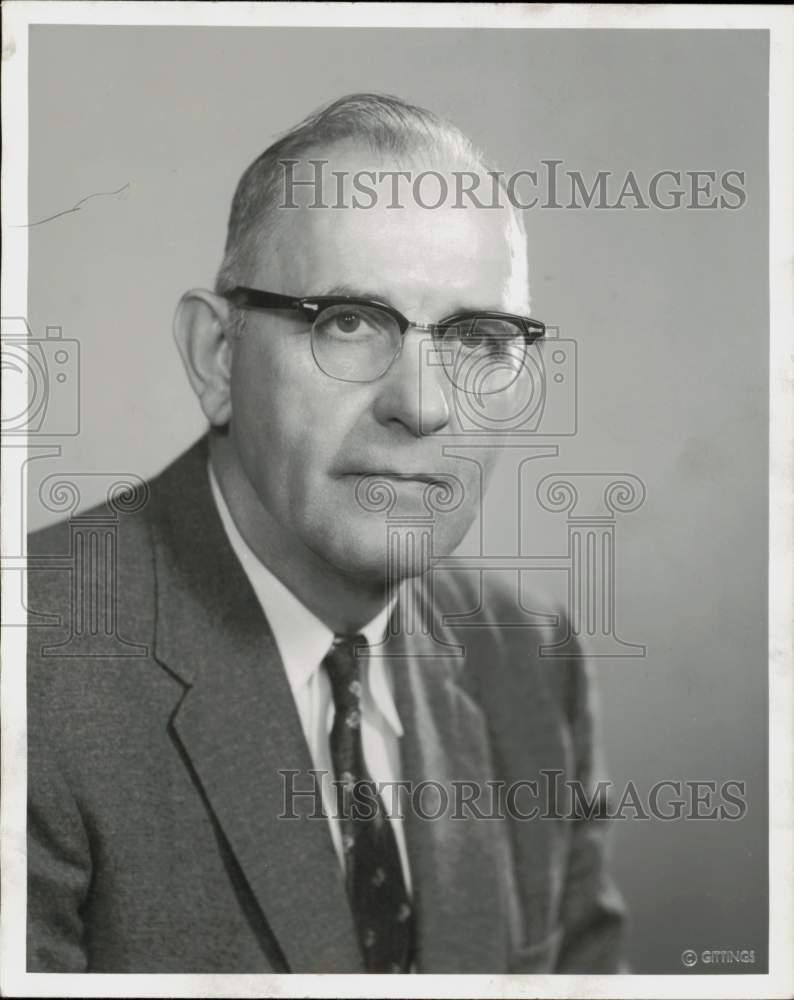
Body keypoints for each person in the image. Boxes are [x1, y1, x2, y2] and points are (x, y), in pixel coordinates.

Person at [26, 93, 627, 973]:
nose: (422, 406)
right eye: (349, 322)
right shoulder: (30, 673)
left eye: (476, 338)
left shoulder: (530, 662)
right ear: (216, 357)